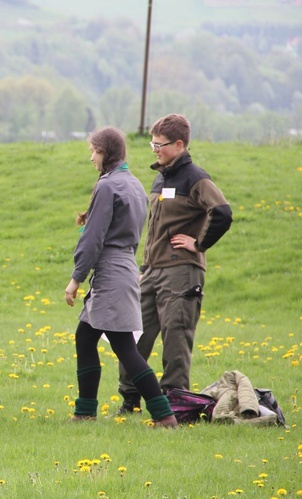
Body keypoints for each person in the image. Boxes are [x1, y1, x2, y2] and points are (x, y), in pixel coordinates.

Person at [115, 114, 232, 415]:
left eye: (160, 144)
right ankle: (130, 401)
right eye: (152, 144)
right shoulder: (160, 178)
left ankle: (176, 406)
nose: (154, 149)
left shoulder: (195, 178)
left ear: (179, 144)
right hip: (152, 272)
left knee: (175, 338)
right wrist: (144, 269)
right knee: (133, 336)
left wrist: (199, 244)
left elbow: (222, 212)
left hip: (182, 272)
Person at [65, 126, 177, 427]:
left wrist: (76, 278)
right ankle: (84, 411)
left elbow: (93, 238)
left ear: (107, 153)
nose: (92, 158)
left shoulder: (107, 186)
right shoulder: (134, 185)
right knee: (85, 337)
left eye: (95, 151)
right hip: (124, 267)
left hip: (111, 273)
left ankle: (164, 415)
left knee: (124, 347)